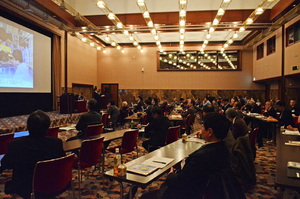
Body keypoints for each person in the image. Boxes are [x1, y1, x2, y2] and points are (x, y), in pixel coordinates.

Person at [140, 112, 245, 199]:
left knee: (145, 196)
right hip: (202, 190)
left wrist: (171, 174)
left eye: (203, 127)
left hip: (187, 194)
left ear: (210, 132)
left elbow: (181, 182)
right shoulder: (223, 150)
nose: (201, 129)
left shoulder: (201, 158)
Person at [0, 110, 65, 198]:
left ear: (28, 126)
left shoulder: (15, 145)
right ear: (47, 128)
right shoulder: (56, 143)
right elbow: (62, 163)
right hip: (52, 183)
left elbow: (5, 163)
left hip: (25, 187)